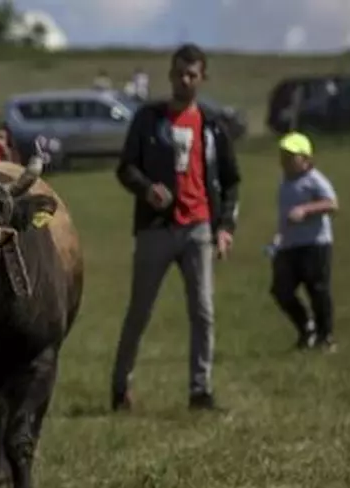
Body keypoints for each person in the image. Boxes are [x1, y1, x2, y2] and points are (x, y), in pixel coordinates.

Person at [110, 44, 241, 413]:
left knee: (203, 311)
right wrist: (146, 188)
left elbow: (231, 181)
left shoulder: (213, 125)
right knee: (140, 311)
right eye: (179, 73)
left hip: (198, 227)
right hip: (155, 228)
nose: (185, 80)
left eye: (192, 74)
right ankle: (120, 386)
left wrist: (225, 226)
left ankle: (201, 391)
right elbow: (125, 167)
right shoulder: (148, 119)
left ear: (202, 78)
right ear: (170, 74)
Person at [269, 132, 338, 353]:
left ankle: (325, 337)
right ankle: (306, 327)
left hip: (315, 244)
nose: (285, 160)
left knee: (317, 290)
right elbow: (284, 215)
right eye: (283, 154)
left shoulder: (314, 179)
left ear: (306, 159)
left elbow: (332, 204)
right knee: (281, 289)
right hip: (289, 245)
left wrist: (306, 210)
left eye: (291, 155)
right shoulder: (284, 182)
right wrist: (279, 236)